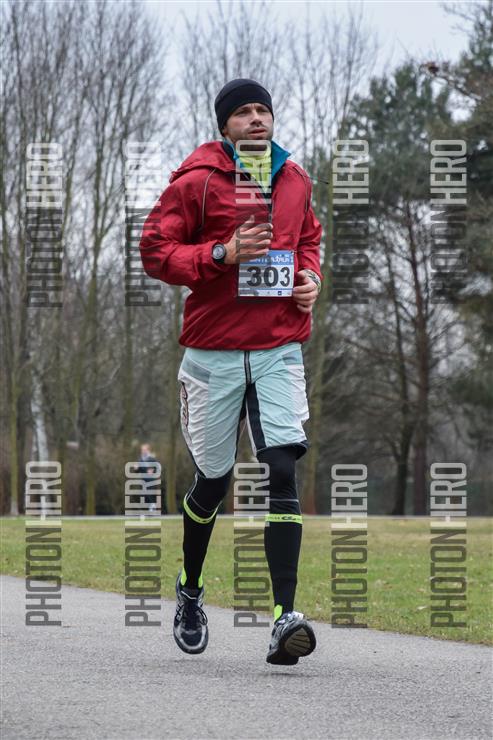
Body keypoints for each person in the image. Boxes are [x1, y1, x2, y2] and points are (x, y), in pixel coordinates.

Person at [140, 78, 323, 665]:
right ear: (224, 126)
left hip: (278, 347)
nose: (256, 119)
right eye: (243, 112)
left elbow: (309, 238)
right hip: (213, 352)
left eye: (263, 110)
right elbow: (154, 251)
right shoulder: (196, 182)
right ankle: (191, 589)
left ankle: (285, 617)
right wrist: (221, 253)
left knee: (282, 466)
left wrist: (311, 279)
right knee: (214, 483)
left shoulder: (295, 178)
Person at [137, 443, 159, 513]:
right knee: (144, 494)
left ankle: (152, 505)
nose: (143, 451)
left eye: (144, 449)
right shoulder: (140, 459)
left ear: (148, 450)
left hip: (151, 479)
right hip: (143, 480)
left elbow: (157, 468)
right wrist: (136, 468)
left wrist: (153, 471)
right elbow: (138, 471)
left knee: (149, 492)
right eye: (142, 450)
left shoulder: (152, 459)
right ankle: (151, 506)